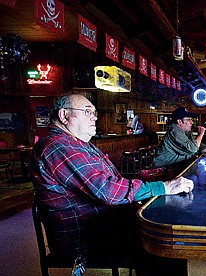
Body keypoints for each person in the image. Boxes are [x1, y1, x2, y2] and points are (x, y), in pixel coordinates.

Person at [29, 92, 194, 258]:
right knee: (166, 241)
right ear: (64, 115)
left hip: (104, 224)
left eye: (94, 113)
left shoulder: (76, 143)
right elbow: (108, 190)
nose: (94, 118)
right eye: (87, 112)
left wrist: (158, 183)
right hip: (86, 239)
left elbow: (112, 183)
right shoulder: (59, 147)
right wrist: (163, 187)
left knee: (169, 224)